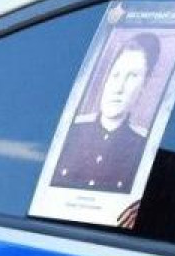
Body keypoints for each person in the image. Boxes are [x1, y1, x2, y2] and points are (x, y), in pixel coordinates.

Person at [50, 32, 161, 194]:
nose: (119, 87)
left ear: (144, 86)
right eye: (115, 75)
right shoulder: (69, 132)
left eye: (132, 76)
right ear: (106, 79)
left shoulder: (144, 149)